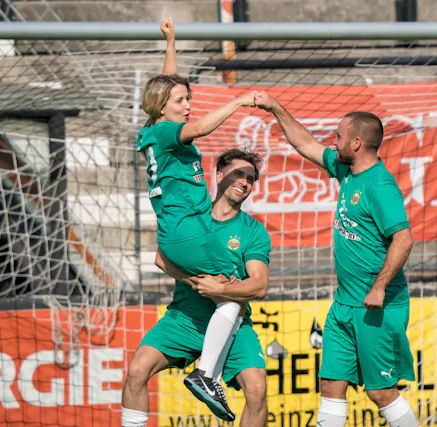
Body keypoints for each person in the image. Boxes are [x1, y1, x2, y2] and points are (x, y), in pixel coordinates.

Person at [254, 92, 417, 427]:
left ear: (357, 143)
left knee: (381, 392)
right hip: (344, 304)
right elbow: (305, 143)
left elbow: (404, 239)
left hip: (377, 307)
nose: (334, 141)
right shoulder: (347, 170)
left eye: (339, 137)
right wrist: (275, 107)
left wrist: (379, 287)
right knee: (330, 385)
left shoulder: (380, 186)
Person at [131, 18, 258, 420]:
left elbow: (168, 85)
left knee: (226, 295)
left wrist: (171, 42)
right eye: (181, 100)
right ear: (164, 107)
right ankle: (206, 374)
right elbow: (200, 126)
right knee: (234, 294)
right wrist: (240, 101)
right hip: (190, 231)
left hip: (175, 234)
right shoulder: (169, 132)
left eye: (188, 98)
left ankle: (207, 373)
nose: (188, 105)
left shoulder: (152, 129)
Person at [121, 148, 271, 427]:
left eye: (250, 179)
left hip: (233, 324)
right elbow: (161, 259)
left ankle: (208, 376)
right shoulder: (192, 219)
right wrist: (198, 283)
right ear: (219, 176)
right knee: (137, 370)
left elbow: (259, 285)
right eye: (238, 174)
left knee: (257, 391)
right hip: (185, 319)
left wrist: (220, 290)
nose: (244, 182)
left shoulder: (253, 231)